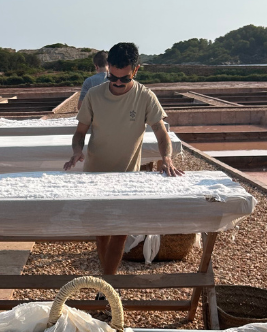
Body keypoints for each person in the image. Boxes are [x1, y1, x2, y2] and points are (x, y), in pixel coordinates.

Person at [63, 42, 184, 274]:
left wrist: (166, 158)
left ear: (136, 70)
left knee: (120, 233)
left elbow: (161, 132)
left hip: (126, 177)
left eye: (124, 78)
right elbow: (79, 133)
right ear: (107, 68)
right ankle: (106, 283)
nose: (118, 83)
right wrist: (77, 152)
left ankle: (106, 285)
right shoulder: (94, 96)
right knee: (102, 233)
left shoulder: (145, 97)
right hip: (95, 174)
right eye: (113, 77)